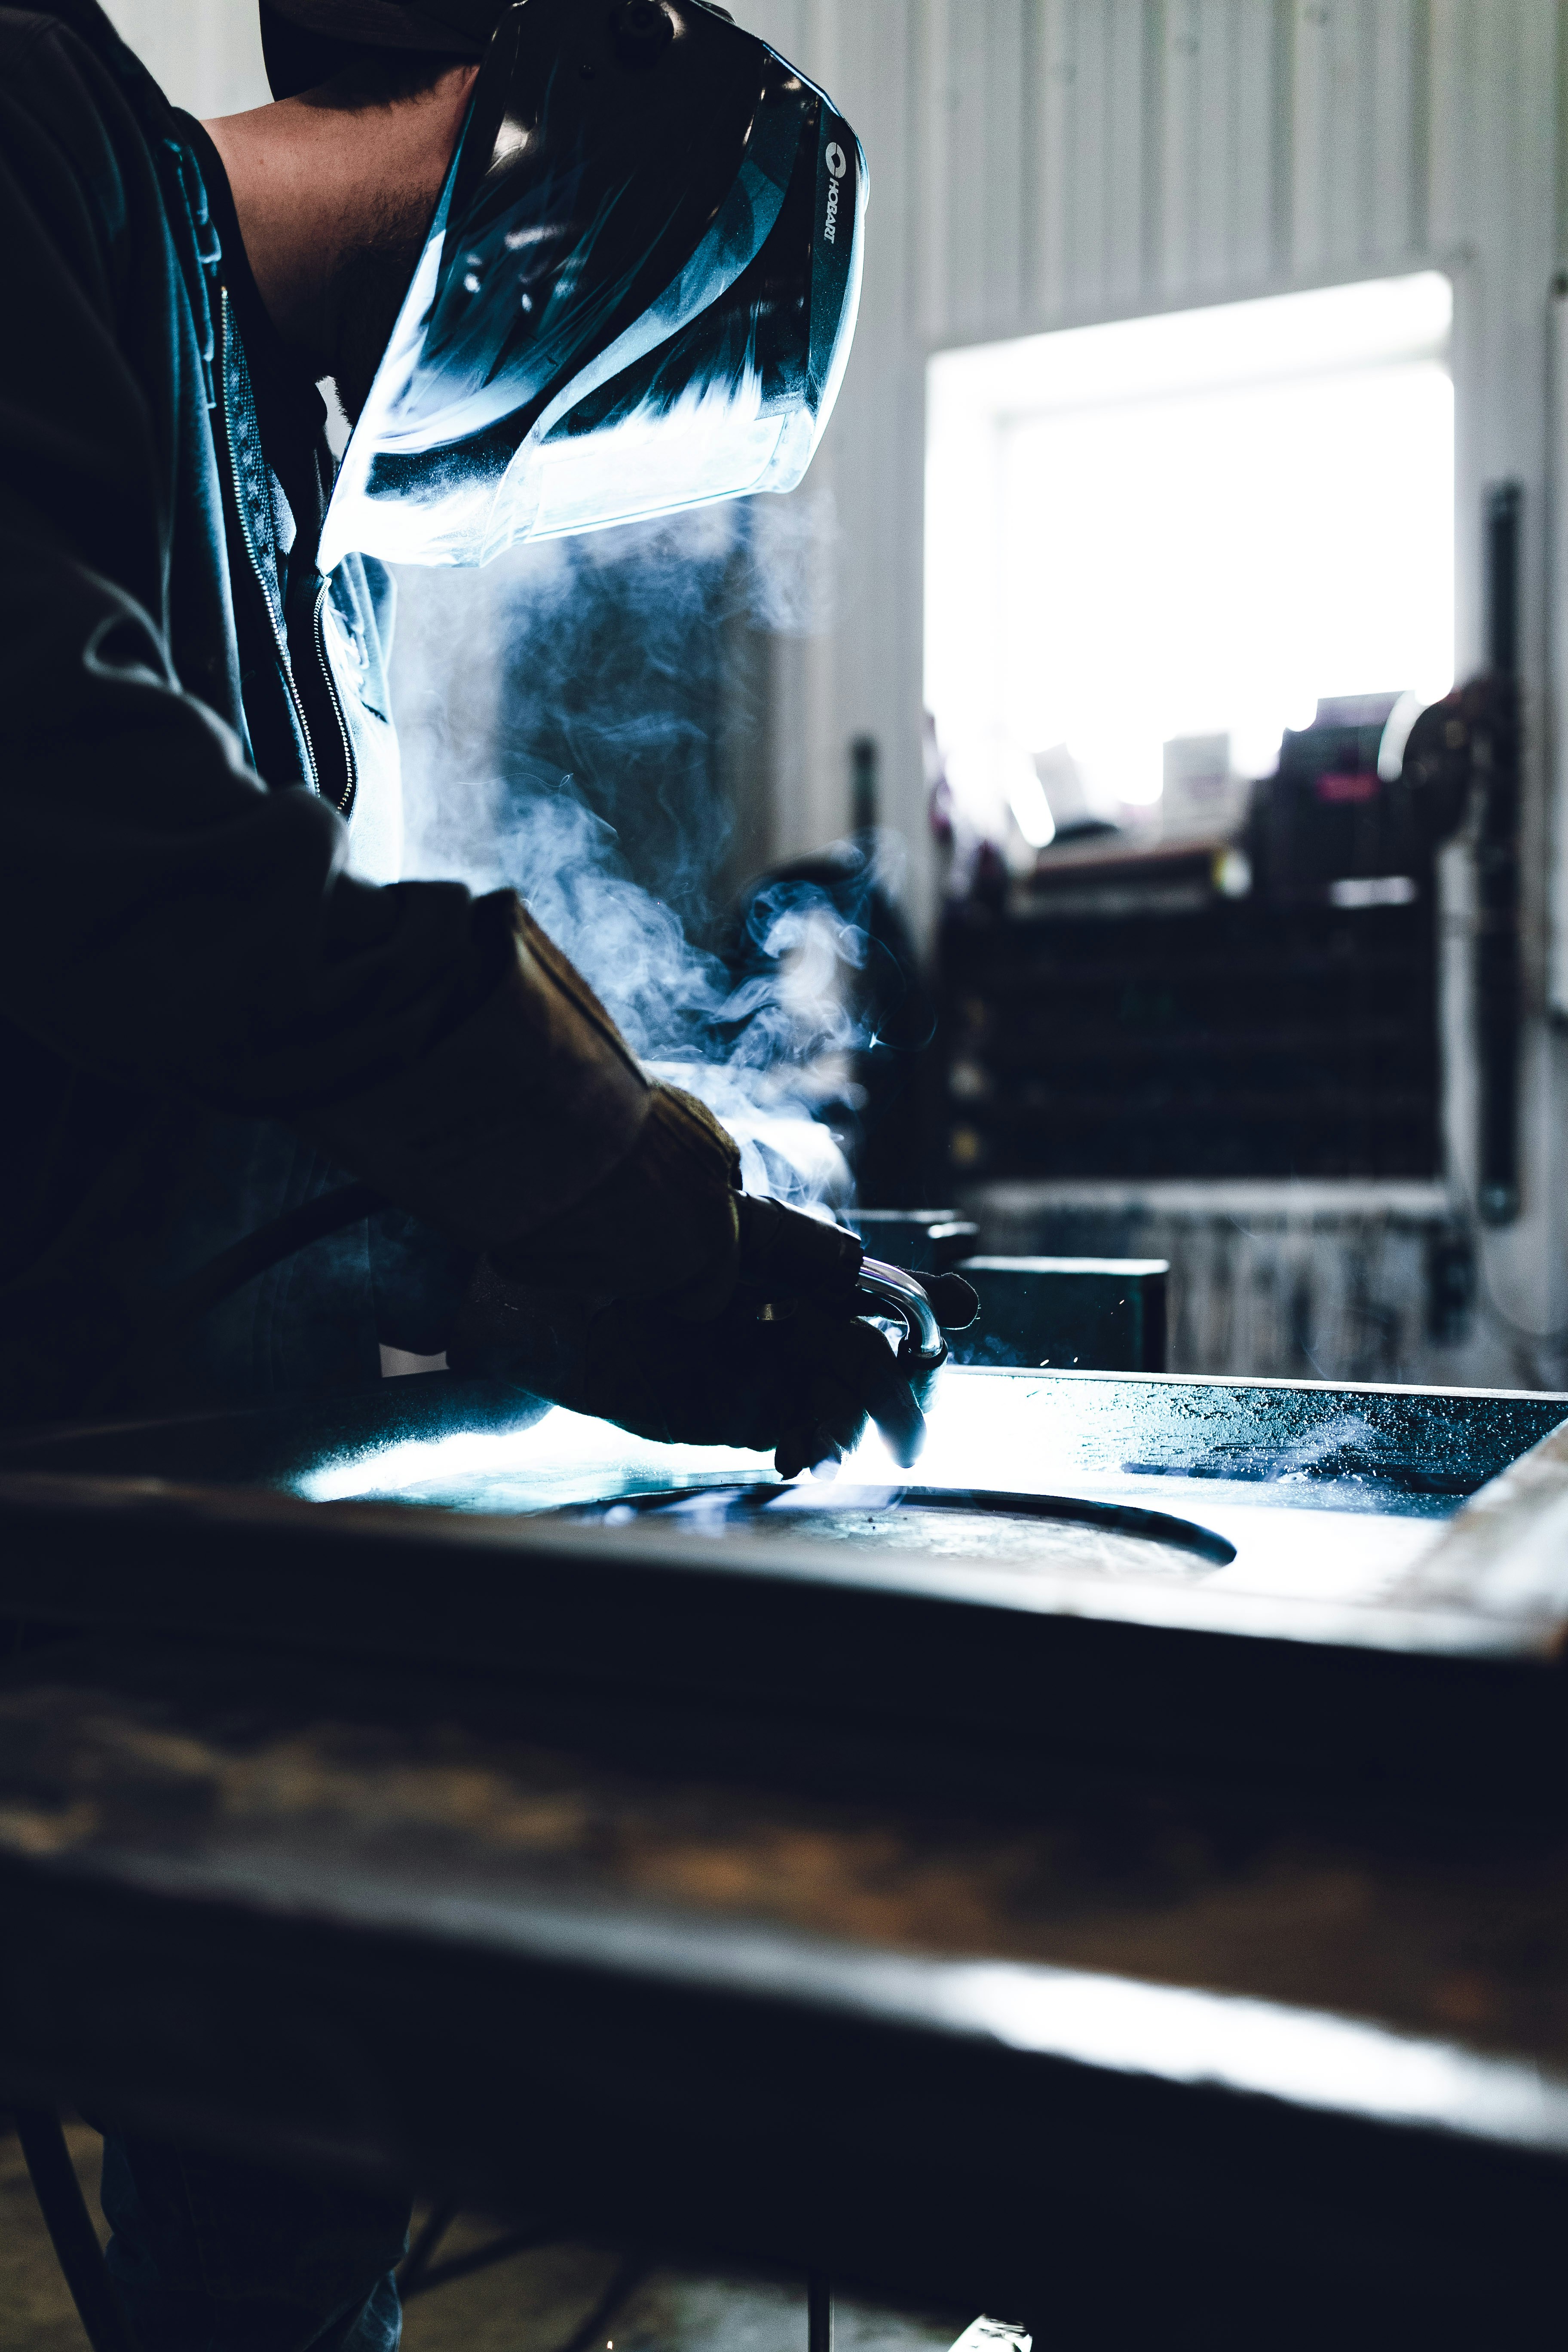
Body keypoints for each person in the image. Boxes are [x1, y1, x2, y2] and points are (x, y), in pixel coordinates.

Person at [0, 1, 930, 2342]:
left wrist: (562, 1292)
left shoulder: (290, 505)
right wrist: (611, 1181)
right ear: (541, 172)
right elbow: (97, 840)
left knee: (298, 2143)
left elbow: (224, 1103)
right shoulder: (30, 137)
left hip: (140, 1546)